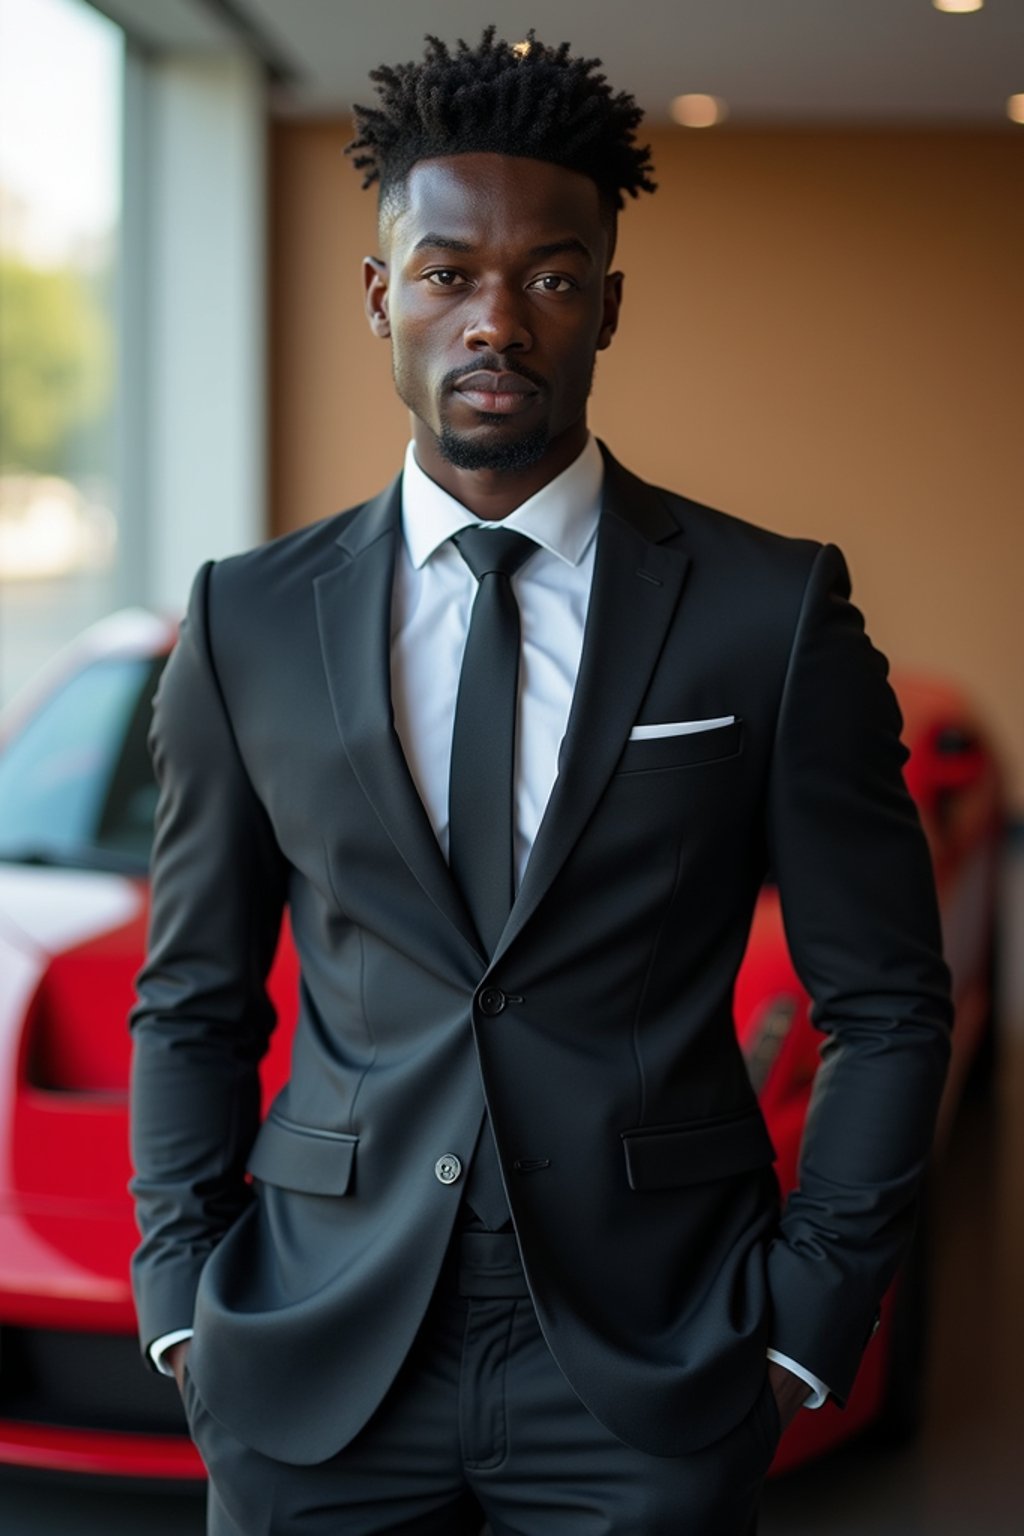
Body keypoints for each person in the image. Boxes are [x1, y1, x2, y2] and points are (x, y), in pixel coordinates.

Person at [129, 28, 953, 1536]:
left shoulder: (770, 613)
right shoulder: (247, 619)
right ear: (382, 297)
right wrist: (185, 1300)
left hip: (656, 1360)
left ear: (608, 308)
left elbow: (887, 1002)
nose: (495, 319)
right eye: (447, 273)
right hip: (317, 1358)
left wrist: (804, 1321)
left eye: (551, 277)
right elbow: (193, 992)